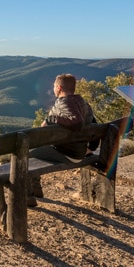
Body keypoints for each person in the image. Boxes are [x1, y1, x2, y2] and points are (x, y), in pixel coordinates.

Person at [28, 73, 95, 207]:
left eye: (54, 86)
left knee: (26, 154)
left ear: (58, 88)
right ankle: (35, 190)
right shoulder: (83, 102)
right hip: (79, 152)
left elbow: (76, 122)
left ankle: (30, 194)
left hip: (69, 154)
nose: (53, 88)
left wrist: (50, 119)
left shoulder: (65, 102)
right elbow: (94, 124)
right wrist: (91, 149)